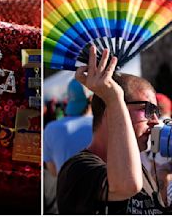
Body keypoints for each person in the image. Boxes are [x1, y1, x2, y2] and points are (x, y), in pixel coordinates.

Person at [57, 45, 168, 214]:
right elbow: (127, 185)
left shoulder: (141, 170)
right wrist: (114, 98)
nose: (154, 121)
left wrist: (164, 179)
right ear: (111, 111)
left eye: (156, 112)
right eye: (148, 110)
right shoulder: (79, 169)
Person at [43, 78, 93, 177]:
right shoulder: (101, 125)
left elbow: (53, 172)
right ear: (91, 98)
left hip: (65, 189)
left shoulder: (51, 128)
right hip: (98, 189)